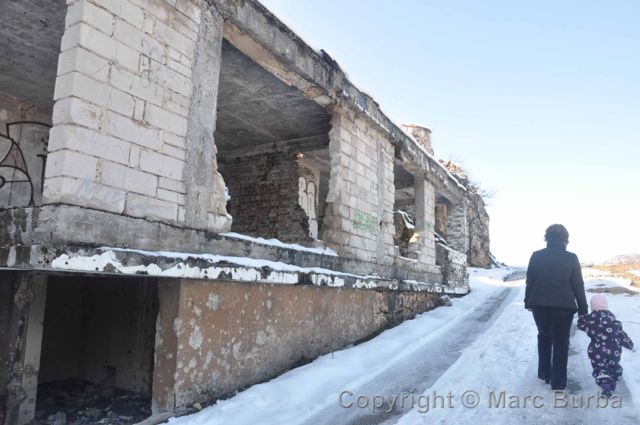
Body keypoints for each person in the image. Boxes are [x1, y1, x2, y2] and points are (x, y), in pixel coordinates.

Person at [524, 224, 588, 390]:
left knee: (544, 337)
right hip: (563, 306)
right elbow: (578, 285)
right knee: (561, 342)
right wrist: (583, 309)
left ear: (547, 237)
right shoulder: (571, 258)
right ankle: (558, 382)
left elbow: (530, 280)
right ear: (565, 239)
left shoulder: (536, 256)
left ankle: (544, 374)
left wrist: (528, 302)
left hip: (539, 304)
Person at [577, 294, 635, 397]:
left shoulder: (589, 321)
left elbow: (580, 324)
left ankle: (606, 386)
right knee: (613, 365)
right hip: (614, 350)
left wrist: (581, 318)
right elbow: (622, 335)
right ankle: (614, 379)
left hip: (596, 350)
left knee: (600, 367)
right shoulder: (614, 322)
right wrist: (630, 345)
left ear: (592, 307)